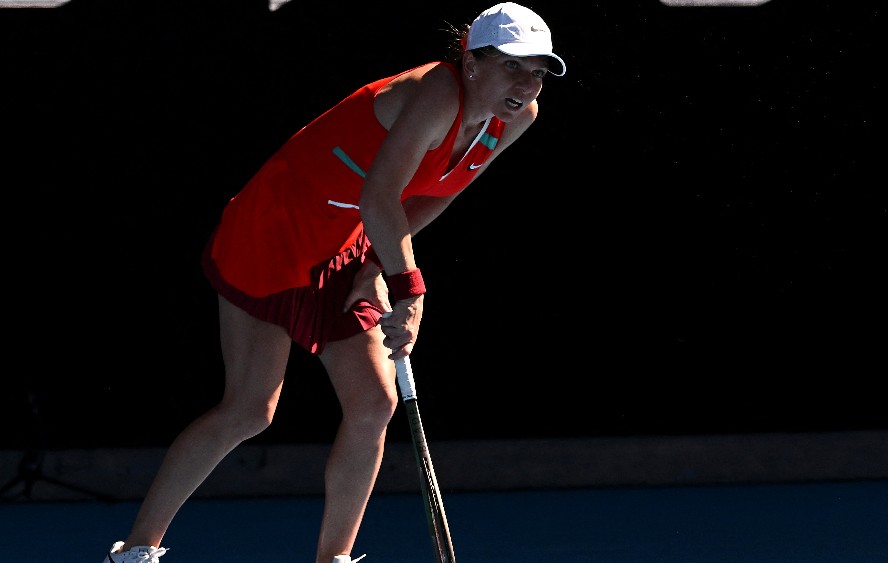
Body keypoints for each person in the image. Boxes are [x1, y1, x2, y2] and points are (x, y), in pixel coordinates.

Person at [101, 3, 566, 563]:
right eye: (515, 66)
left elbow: (434, 197)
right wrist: (411, 286)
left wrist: (375, 268)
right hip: (275, 227)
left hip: (347, 239)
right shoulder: (437, 94)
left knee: (373, 401)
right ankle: (135, 552)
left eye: (537, 70)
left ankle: (333, 560)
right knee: (250, 409)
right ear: (470, 62)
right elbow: (379, 195)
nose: (527, 82)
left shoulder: (518, 117)